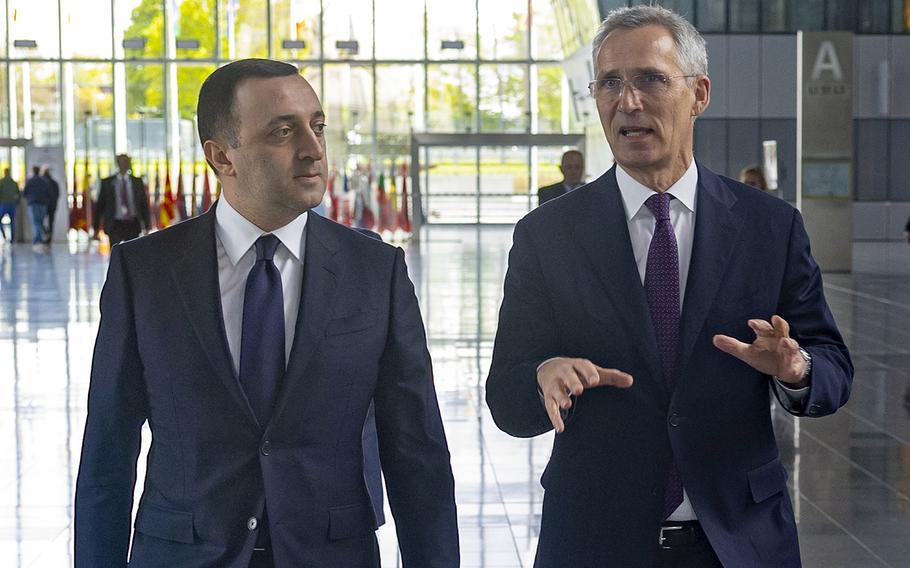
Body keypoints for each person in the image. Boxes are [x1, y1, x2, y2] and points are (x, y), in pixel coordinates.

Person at [486, 6, 852, 568]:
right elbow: (506, 396)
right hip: (593, 540)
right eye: (610, 82)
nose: (627, 101)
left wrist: (796, 367)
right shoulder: (547, 236)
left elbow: (832, 366)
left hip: (739, 539)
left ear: (699, 94)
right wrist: (542, 376)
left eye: (650, 80)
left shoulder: (769, 227)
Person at [75, 59, 459, 568]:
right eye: (283, 131)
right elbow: (107, 454)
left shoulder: (375, 271)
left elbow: (417, 455)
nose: (313, 148)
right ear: (222, 157)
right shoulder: (144, 273)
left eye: (317, 126)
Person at [93, 154, 151, 244]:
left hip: (132, 224)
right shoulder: (107, 183)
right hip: (115, 224)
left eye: (126, 162)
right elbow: (100, 206)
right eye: (121, 162)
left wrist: (147, 225)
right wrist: (96, 228)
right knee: (115, 252)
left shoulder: (137, 182)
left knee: (131, 252)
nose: (124, 164)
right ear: (118, 163)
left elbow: (143, 204)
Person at [23, 165, 51, 247]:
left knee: (36, 222)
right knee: (40, 221)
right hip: (43, 204)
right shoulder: (44, 181)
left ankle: (38, 239)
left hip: (33, 204)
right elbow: (49, 193)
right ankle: (41, 237)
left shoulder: (29, 181)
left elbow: (24, 193)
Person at [0, 168, 20, 243]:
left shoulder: (1, 182)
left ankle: (4, 234)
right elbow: (18, 194)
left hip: (3, 204)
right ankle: (12, 239)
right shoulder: (14, 183)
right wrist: (16, 202)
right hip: (12, 204)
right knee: (12, 222)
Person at [42, 165, 61, 243]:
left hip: (44, 204)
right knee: (50, 222)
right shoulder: (54, 182)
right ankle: (49, 237)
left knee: (39, 220)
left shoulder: (42, 182)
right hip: (52, 205)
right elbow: (57, 194)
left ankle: (46, 233)